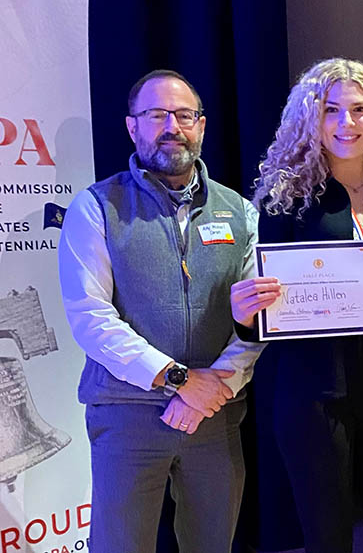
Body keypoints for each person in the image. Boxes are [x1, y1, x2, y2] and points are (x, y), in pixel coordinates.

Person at [228, 58, 363, 553]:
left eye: (360, 109)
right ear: (310, 119)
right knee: (327, 540)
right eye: (331, 110)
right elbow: (268, 314)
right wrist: (244, 317)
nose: (348, 123)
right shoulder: (286, 201)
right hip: (313, 394)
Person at [58, 69, 263, 552]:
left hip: (216, 415)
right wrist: (178, 380)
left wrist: (215, 387)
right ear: (132, 126)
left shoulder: (240, 211)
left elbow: (256, 319)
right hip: (128, 417)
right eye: (156, 114)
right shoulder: (96, 207)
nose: (172, 125)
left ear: (202, 126)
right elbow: (91, 317)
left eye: (184, 114)